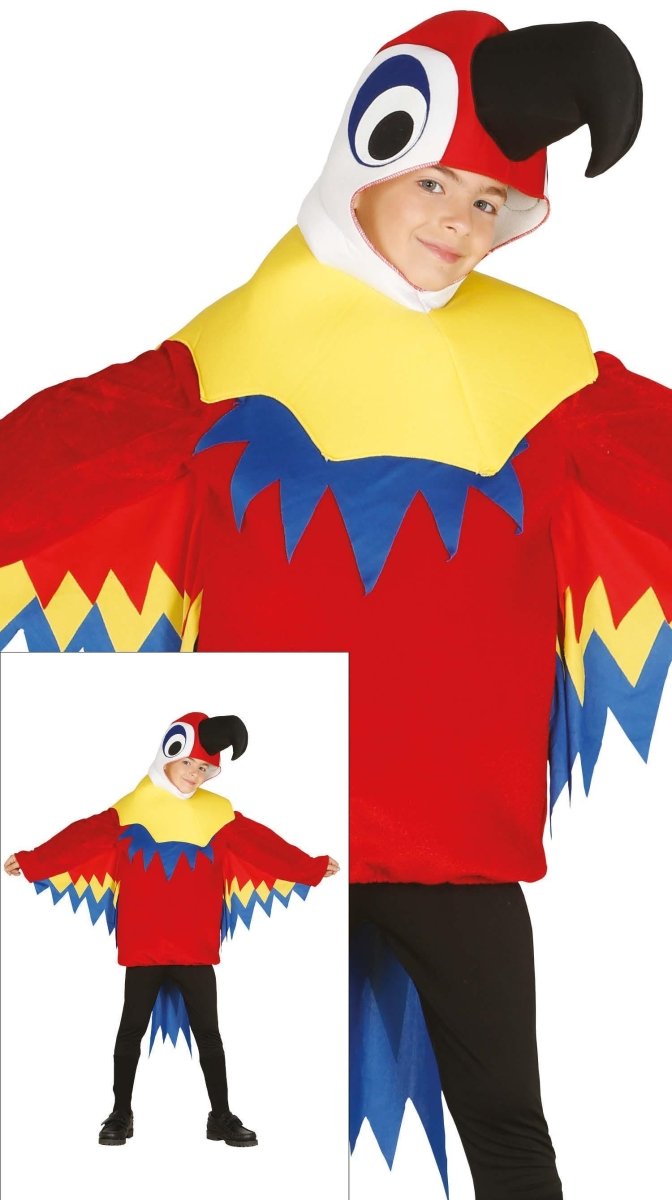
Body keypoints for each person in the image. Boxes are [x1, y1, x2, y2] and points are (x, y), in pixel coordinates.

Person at [0, 9, 670, 1197]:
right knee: (275, 1148)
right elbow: (62, 459)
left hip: (460, 840)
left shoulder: (549, 364)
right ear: (367, 163)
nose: (459, 224)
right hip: (309, 822)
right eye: (436, 184)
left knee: (508, 1127)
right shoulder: (231, 352)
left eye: (488, 204)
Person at [4, 711, 339, 1147]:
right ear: (169, 754)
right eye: (189, 763)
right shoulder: (130, 809)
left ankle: (221, 1116)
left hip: (195, 946)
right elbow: (81, 838)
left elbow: (263, 845)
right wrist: (34, 861)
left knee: (209, 1036)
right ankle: (120, 1113)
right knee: (130, 1031)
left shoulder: (219, 814)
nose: (195, 774)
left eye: (204, 769)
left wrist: (308, 867)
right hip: (143, 945)